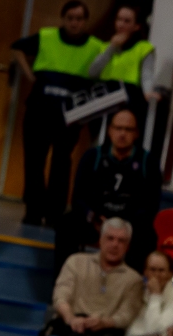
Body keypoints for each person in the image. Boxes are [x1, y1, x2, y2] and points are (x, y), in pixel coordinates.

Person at [11, 0, 104, 226]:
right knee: (34, 161)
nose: (74, 23)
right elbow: (16, 48)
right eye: (70, 18)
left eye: (79, 19)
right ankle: (33, 210)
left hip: (70, 116)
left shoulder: (96, 46)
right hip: (39, 110)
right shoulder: (47, 36)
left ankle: (55, 213)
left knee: (61, 164)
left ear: (85, 21)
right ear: (63, 19)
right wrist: (29, 75)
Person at [53, 107, 160, 274]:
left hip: (130, 225)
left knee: (147, 236)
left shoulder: (148, 162)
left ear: (136, 133)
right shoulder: (92, 156)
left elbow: (151, 205)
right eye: (118, 128)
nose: (122, 134)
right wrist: (93, 217)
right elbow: (78, 198)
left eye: (128, 129)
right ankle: (64, 284)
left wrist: (125, 225)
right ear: (110, 130)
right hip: (95, 223)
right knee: (66, 225)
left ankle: (131, 286)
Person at [43, 218, 144, 336]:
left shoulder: (133, 279)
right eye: (110, 238)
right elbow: (61, 296)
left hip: (105, 335)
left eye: (121, 241)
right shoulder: (76, 262)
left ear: (127, 246)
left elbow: (127, 314)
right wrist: (71, 318)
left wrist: (104, 322)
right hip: (69, 328)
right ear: (100, 240)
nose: (115, 244)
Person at [87, 4, 156, 128]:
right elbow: (92, 72)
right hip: (104, 96)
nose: (121, 24)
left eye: (127, 21)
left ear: (136, 26)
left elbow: (147, 75)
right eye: (119, 19)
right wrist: (111, 48)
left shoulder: (143, 48)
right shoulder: (105, 46)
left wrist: (148, 92)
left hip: (129, 97)